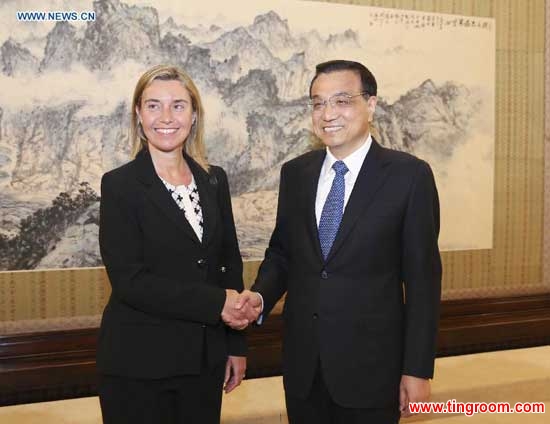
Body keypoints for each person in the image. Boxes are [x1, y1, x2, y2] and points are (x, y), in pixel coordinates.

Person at [238, 60, 442, 423]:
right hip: (304, 371)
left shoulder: (409, 177)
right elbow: (283, 253)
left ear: (372, 104)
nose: (327, 113)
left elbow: (423, 282)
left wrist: (417, 369)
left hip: (372, 373)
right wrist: (260, 295)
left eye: (341, 101)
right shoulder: (296, 173)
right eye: (318, 103)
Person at [97, 64, 253, 424]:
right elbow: (130, 281)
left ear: (194, 114)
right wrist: (218, 304)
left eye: (178, 105)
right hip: (138, 366)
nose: (166, 117)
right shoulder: (120, 186)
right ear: (138, 114)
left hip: (205, 363)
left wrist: (235, 345)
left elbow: (228, 263)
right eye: (153, 105)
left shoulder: (215, 180)